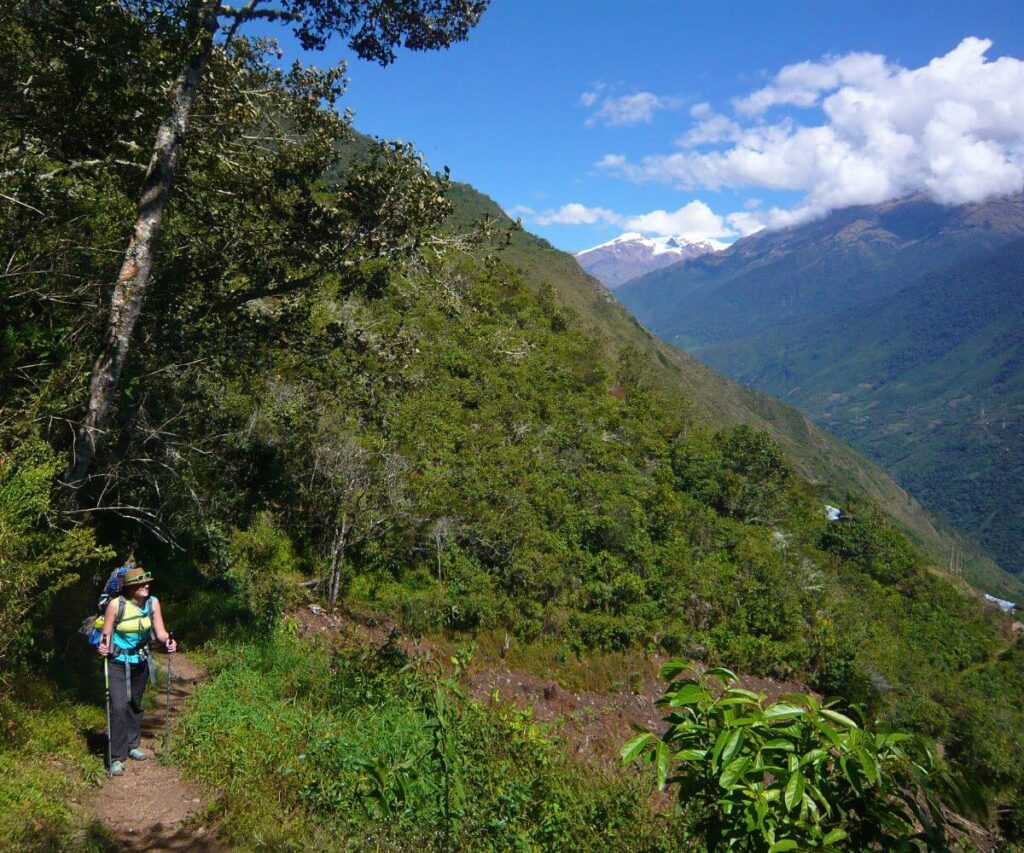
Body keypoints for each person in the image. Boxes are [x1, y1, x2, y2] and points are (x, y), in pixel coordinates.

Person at [97, 565, 176, 776]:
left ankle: (133, 745)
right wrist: (103, 646)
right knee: (119, 707)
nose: (146, 586)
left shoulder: (153, 603)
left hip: (140, 661)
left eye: (147, 583)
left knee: (135, 704)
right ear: (131, 588)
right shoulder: (116, 605)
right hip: (117, 661)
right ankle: (116, 756)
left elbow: (160, 632)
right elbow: (106, 634)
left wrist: (168, 640)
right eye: (141, 584)